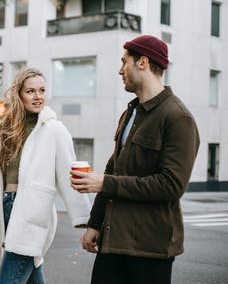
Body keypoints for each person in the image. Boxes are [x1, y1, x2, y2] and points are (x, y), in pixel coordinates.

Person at [70, 35, 200, 284]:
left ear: (142, 63)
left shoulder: (178, 118)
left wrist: (104, 183)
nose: (120, 70)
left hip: (149, 248)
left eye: (124, 62)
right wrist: (94, 223)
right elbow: (113, 169)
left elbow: (170, 185)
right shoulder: (130, 112)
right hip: (112, 242)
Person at [0, 67, 91, 284]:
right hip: (6, 206)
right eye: (31, 91)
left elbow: (69, 175)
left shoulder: (54, 130)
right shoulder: (3, 132)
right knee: (31, 275)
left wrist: (86, 219)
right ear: (19, 94)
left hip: (32, 211)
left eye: (42, 90)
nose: (38, 97)